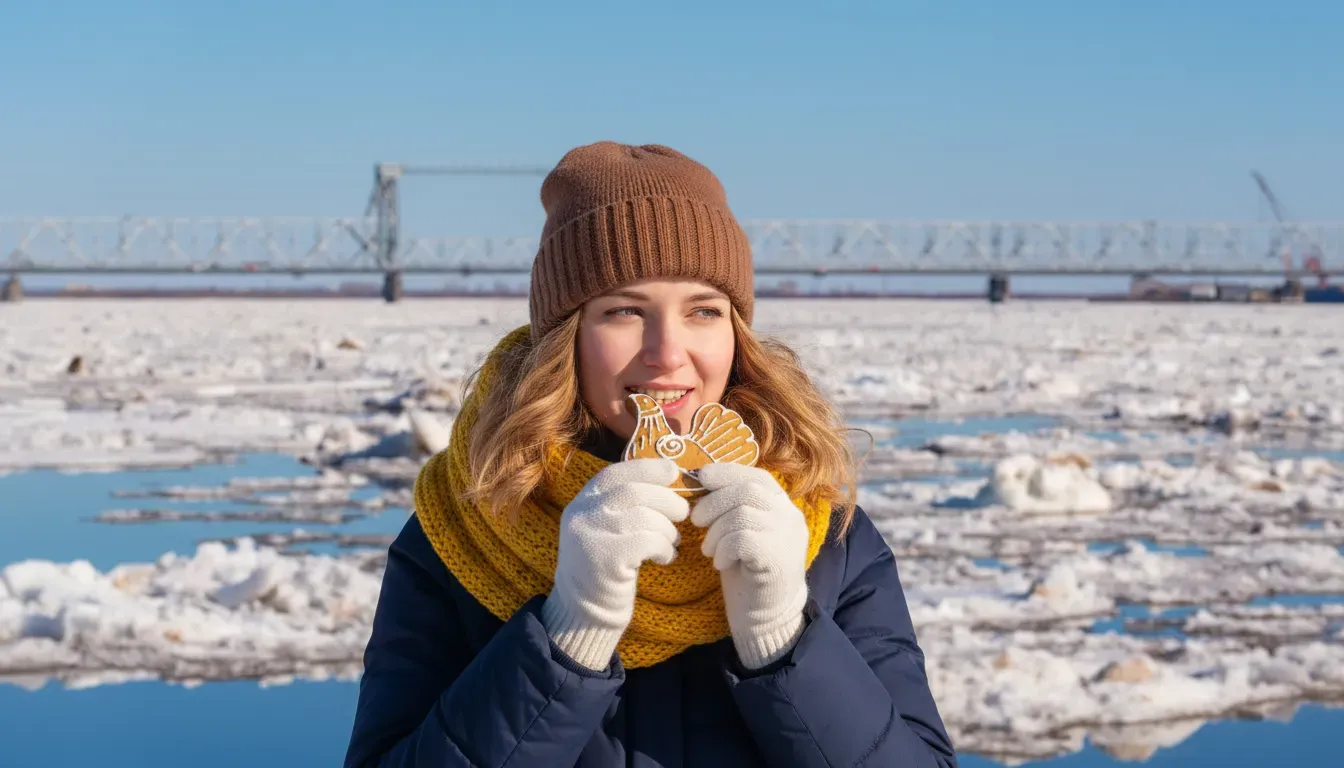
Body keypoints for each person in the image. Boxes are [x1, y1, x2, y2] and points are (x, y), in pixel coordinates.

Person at [343, 141, 957, 767]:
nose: (668, 352)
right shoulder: (460, 531)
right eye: (624, 311)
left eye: (703, 311)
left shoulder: (831, 540)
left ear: (736, 334)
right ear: (566, 338)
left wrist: (784, 636)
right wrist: (568, 634)